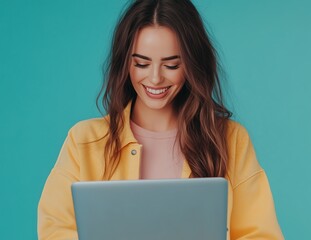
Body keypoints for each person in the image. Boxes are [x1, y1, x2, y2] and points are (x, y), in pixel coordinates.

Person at [38, 0, 284, 239]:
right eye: (142, 63)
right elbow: (55, 230)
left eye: (172, 65)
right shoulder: (84, 141)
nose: (155, 78)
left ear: (192, 64)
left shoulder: (231, 140)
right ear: (125, 63)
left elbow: (261, 235)